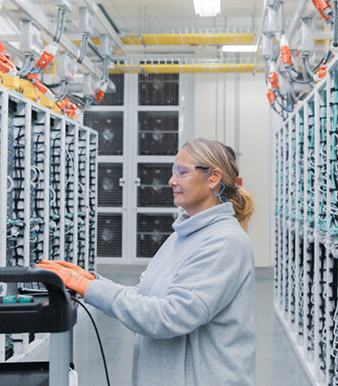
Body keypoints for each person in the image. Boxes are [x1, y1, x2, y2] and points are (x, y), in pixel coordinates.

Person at [37, 138, 256, 386]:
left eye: (182, 172)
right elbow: (147, 295)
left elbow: (168, 316)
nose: (171, 181)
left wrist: (91, 288)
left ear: (213, 177)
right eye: (173, 172)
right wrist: (92, 282)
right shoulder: (182, 236)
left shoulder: (223, 242)